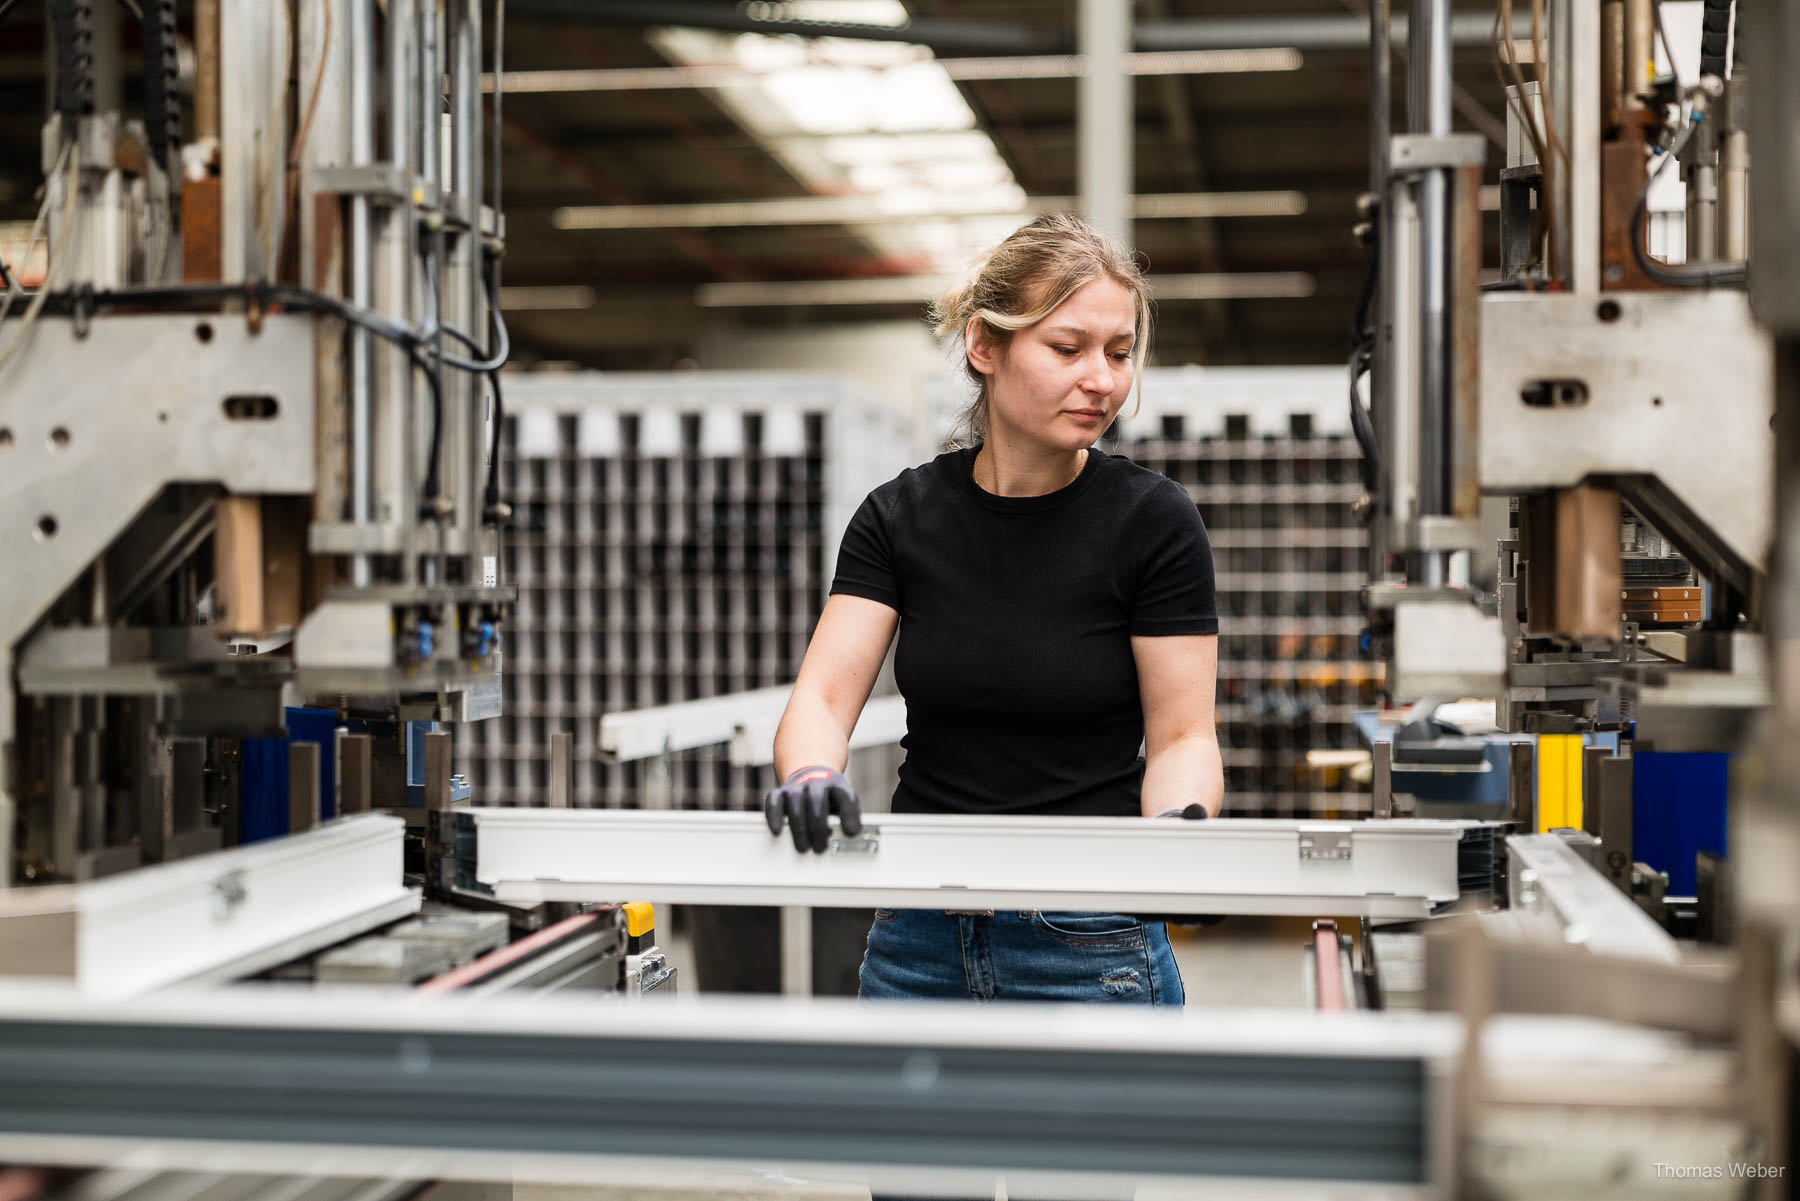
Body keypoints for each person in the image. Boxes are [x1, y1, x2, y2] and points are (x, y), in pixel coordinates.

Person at [765, 212, 1222, 1011]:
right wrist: (808, 773)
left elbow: (1183, 735)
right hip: (919, 936)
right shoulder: (898, 518)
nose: (1103, 379)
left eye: (1118, 353)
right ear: (985, 345)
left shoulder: (1152, 522)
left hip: (1092, 938)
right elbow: (824, 698)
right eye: (1068, 347)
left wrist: (1178, 832)